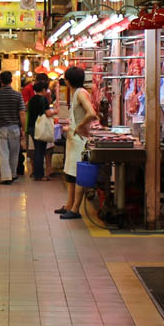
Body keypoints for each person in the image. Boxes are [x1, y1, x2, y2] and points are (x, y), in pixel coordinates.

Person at [59, 65, 97, 220]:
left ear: (68, 81)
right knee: (71, 175)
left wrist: (80, 127)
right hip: (74, 140)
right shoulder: (76, 93)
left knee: (78, 175)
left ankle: (75, 210)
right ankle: (69, 205)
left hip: (80, 141)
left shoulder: (80, 93)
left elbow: (92, 113)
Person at [0, 72, 25, 185]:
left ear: (1, 81)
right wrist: (23, 128)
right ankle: (13, 174)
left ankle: (6, 177)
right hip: (15, 127)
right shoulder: (18, 95)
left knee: (3, 152)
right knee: (14, 152)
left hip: (1, 127)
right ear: (11, 80)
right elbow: (22, 113)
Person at [26, 77, 53, 181]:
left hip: (32, 127)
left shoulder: (32, 99)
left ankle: (37, 173)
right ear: (43, 90)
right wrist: (56, 111)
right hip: (40, 127)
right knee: (40, 151)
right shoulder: (43, 99)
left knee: (38, 149)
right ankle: (39, 175)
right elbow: (47, 113)